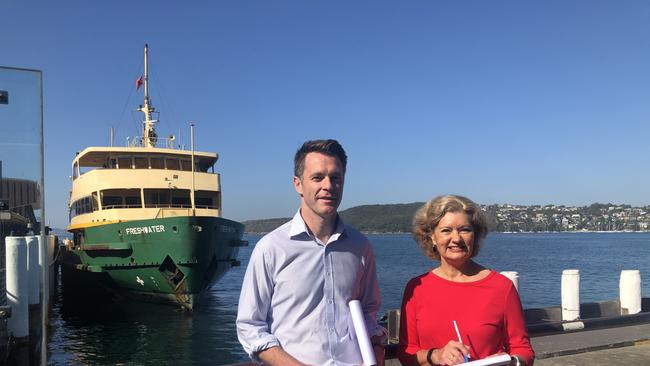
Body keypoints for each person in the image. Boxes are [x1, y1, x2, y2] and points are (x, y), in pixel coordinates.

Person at [237, 139, 386, 366]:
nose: (328, 185)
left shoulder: (360, 246)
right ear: (298, 184)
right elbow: (250, 327)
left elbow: (368, 311)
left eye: (335, 178)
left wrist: (375, 348)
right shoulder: (271, 248)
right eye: (317, 177)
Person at [398, 195, 534, 366]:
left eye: (464, 229)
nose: (456, 238)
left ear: (475, 236)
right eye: (446, 230)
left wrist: (510, 362)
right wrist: (436, 355)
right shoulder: (416, 288)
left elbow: (522, 349)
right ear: (432, 236)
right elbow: (406, 352)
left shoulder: (501, 287)